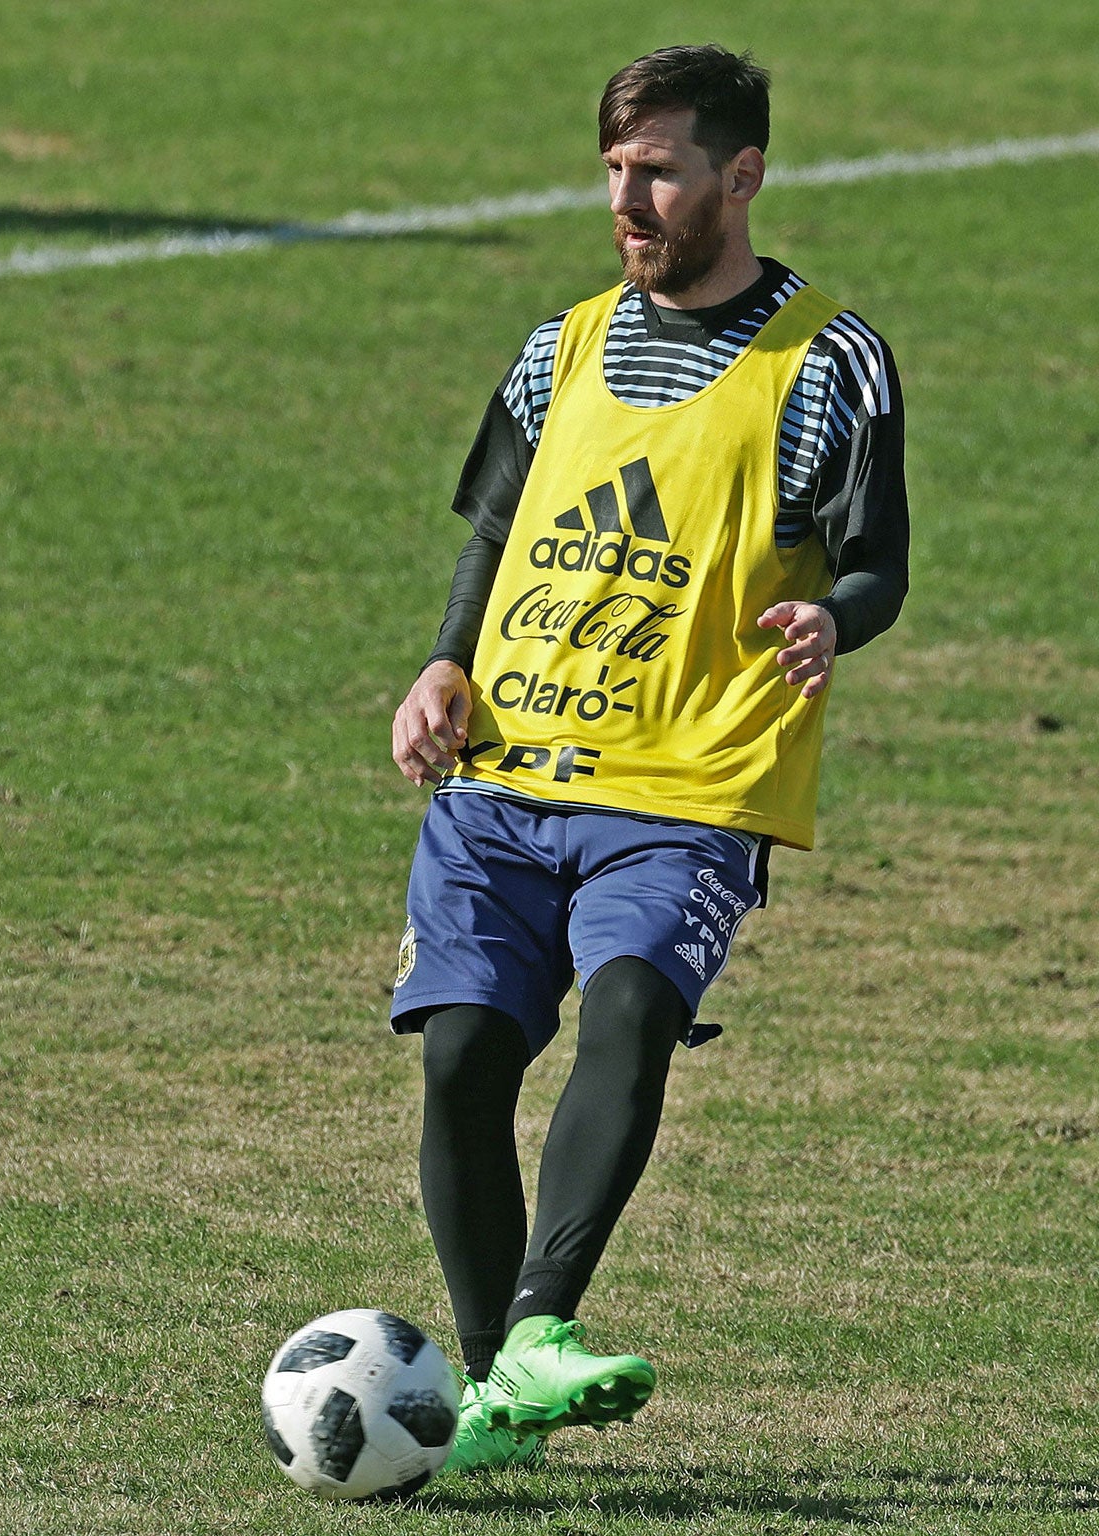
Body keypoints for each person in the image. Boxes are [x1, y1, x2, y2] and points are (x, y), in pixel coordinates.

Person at [386, 45, 909, 1474]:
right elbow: (496, 532)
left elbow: (881, 565)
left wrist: (829, 615)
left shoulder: (829, 361)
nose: (629, 195)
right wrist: (444, 661)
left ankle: (544, 1325)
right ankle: (498, 1386)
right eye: (616, 166)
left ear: (739, 178)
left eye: (661, 168)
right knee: (461, 1063)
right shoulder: (558, 346)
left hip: (686, 787)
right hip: (503, 776)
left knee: (626, 1007)